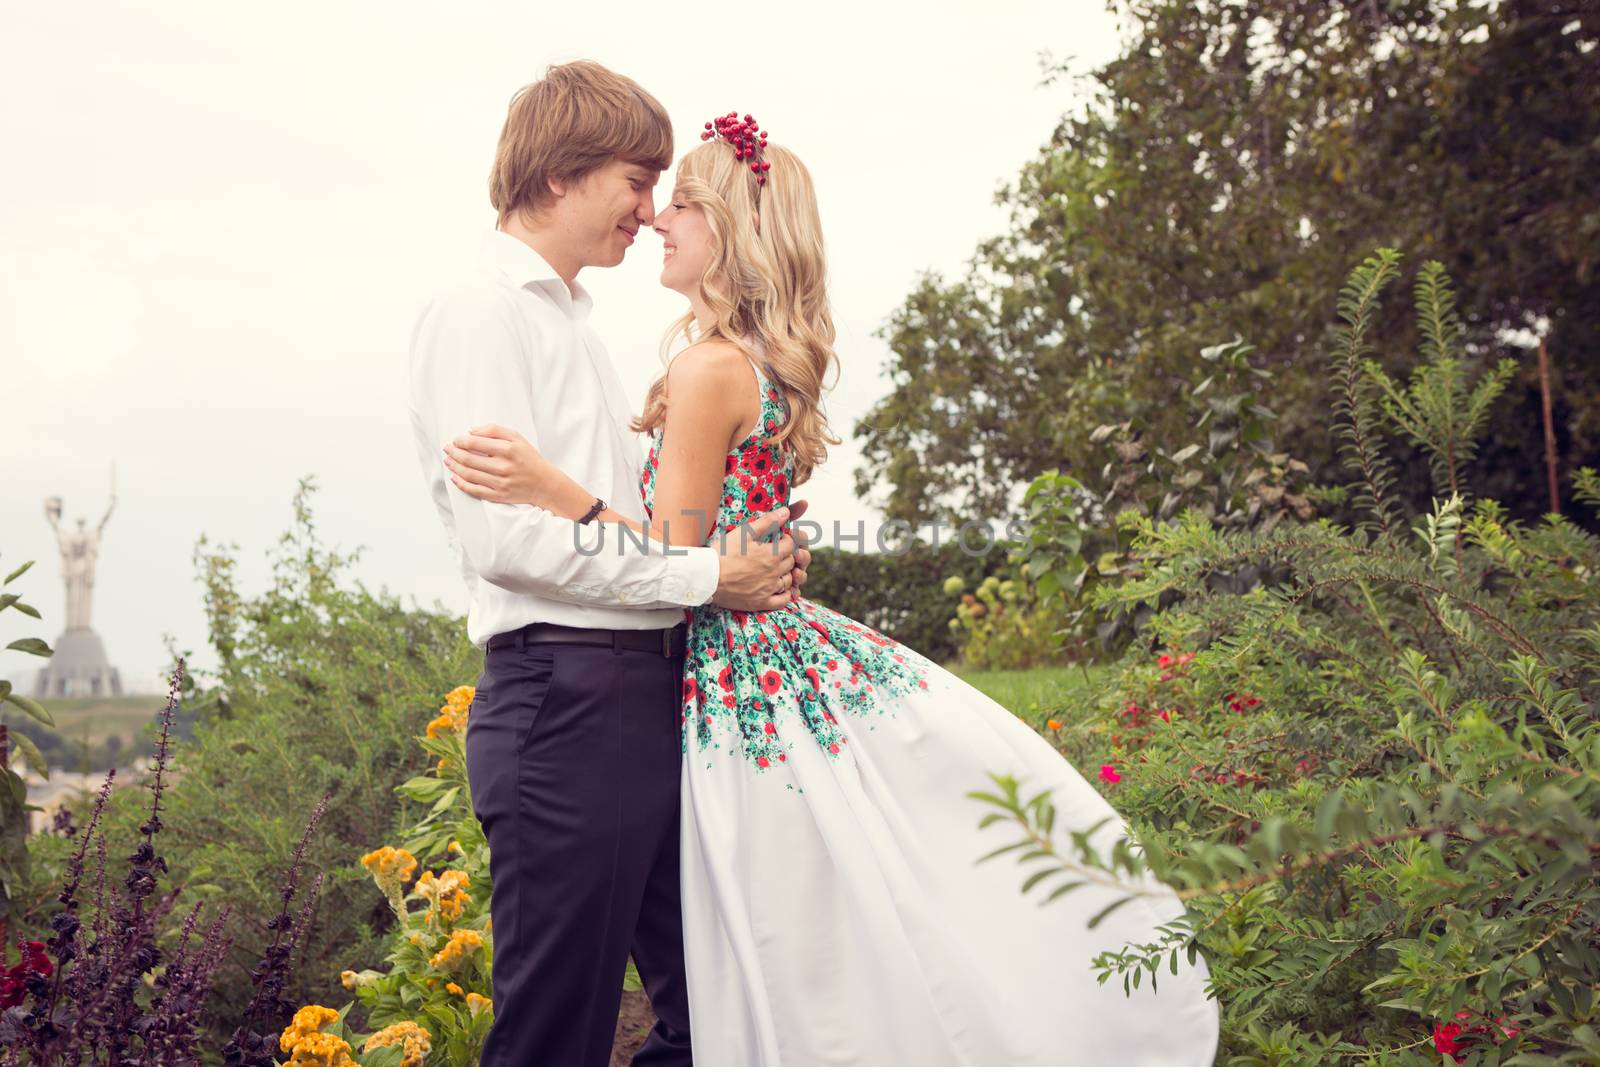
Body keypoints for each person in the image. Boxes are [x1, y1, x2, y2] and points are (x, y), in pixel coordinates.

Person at [444, 113, 1220, 1065]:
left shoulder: (703, 368)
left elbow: (675, 554)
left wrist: (553, 489)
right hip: (755, 657)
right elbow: (703, 549)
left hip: (720, 678)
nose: (657, 219)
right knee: (787, 951)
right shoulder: (756, 367)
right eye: (650, 193)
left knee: (745, 962)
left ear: (729, 229)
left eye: (679, 200)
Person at [408, 66, 811, 1067]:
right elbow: (504, 541)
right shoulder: (483, 313)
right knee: (556, 1033)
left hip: (641, 694)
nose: (648, 209)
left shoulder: (573, 323)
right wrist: (706, 576)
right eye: (636, 181)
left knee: (718, 1011)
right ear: (563, 174)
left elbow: (617, 518)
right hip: (565, 701)